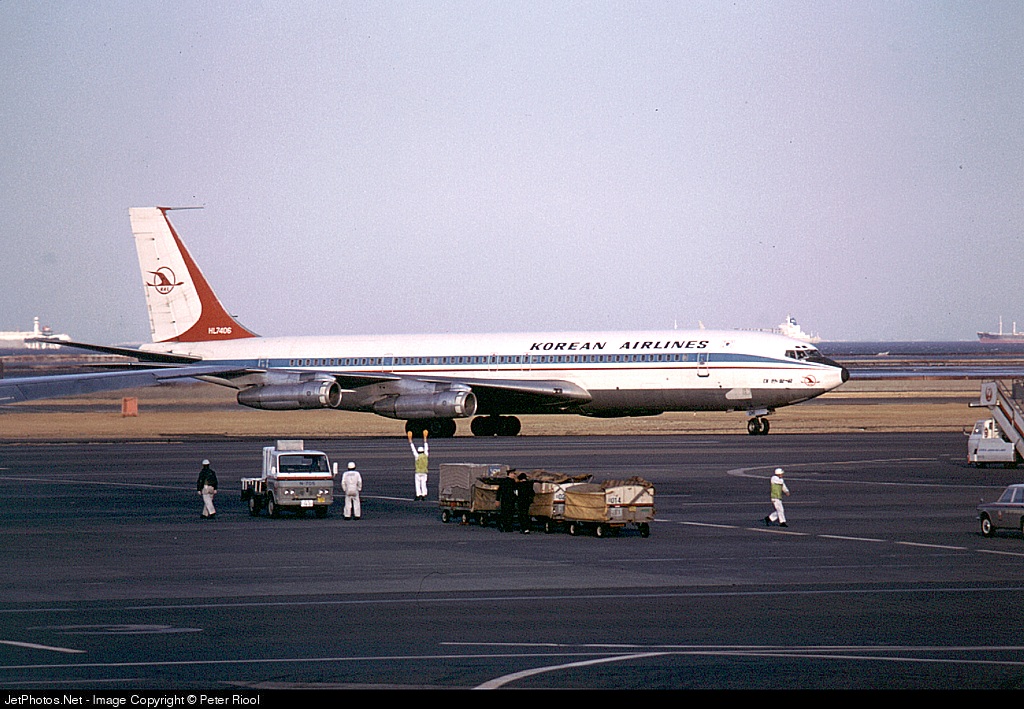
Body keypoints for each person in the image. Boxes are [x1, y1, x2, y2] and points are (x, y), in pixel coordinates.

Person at [408, 429, 429, 501]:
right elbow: (426, 447)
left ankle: (418, 495)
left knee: (417, 484)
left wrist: (410, 440)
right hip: (424, 472)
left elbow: (413, 449)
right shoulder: (425, 455)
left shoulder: (417, 456)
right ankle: (424, 495)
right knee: (423, 483)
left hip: (418, 472)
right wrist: (425, 438)